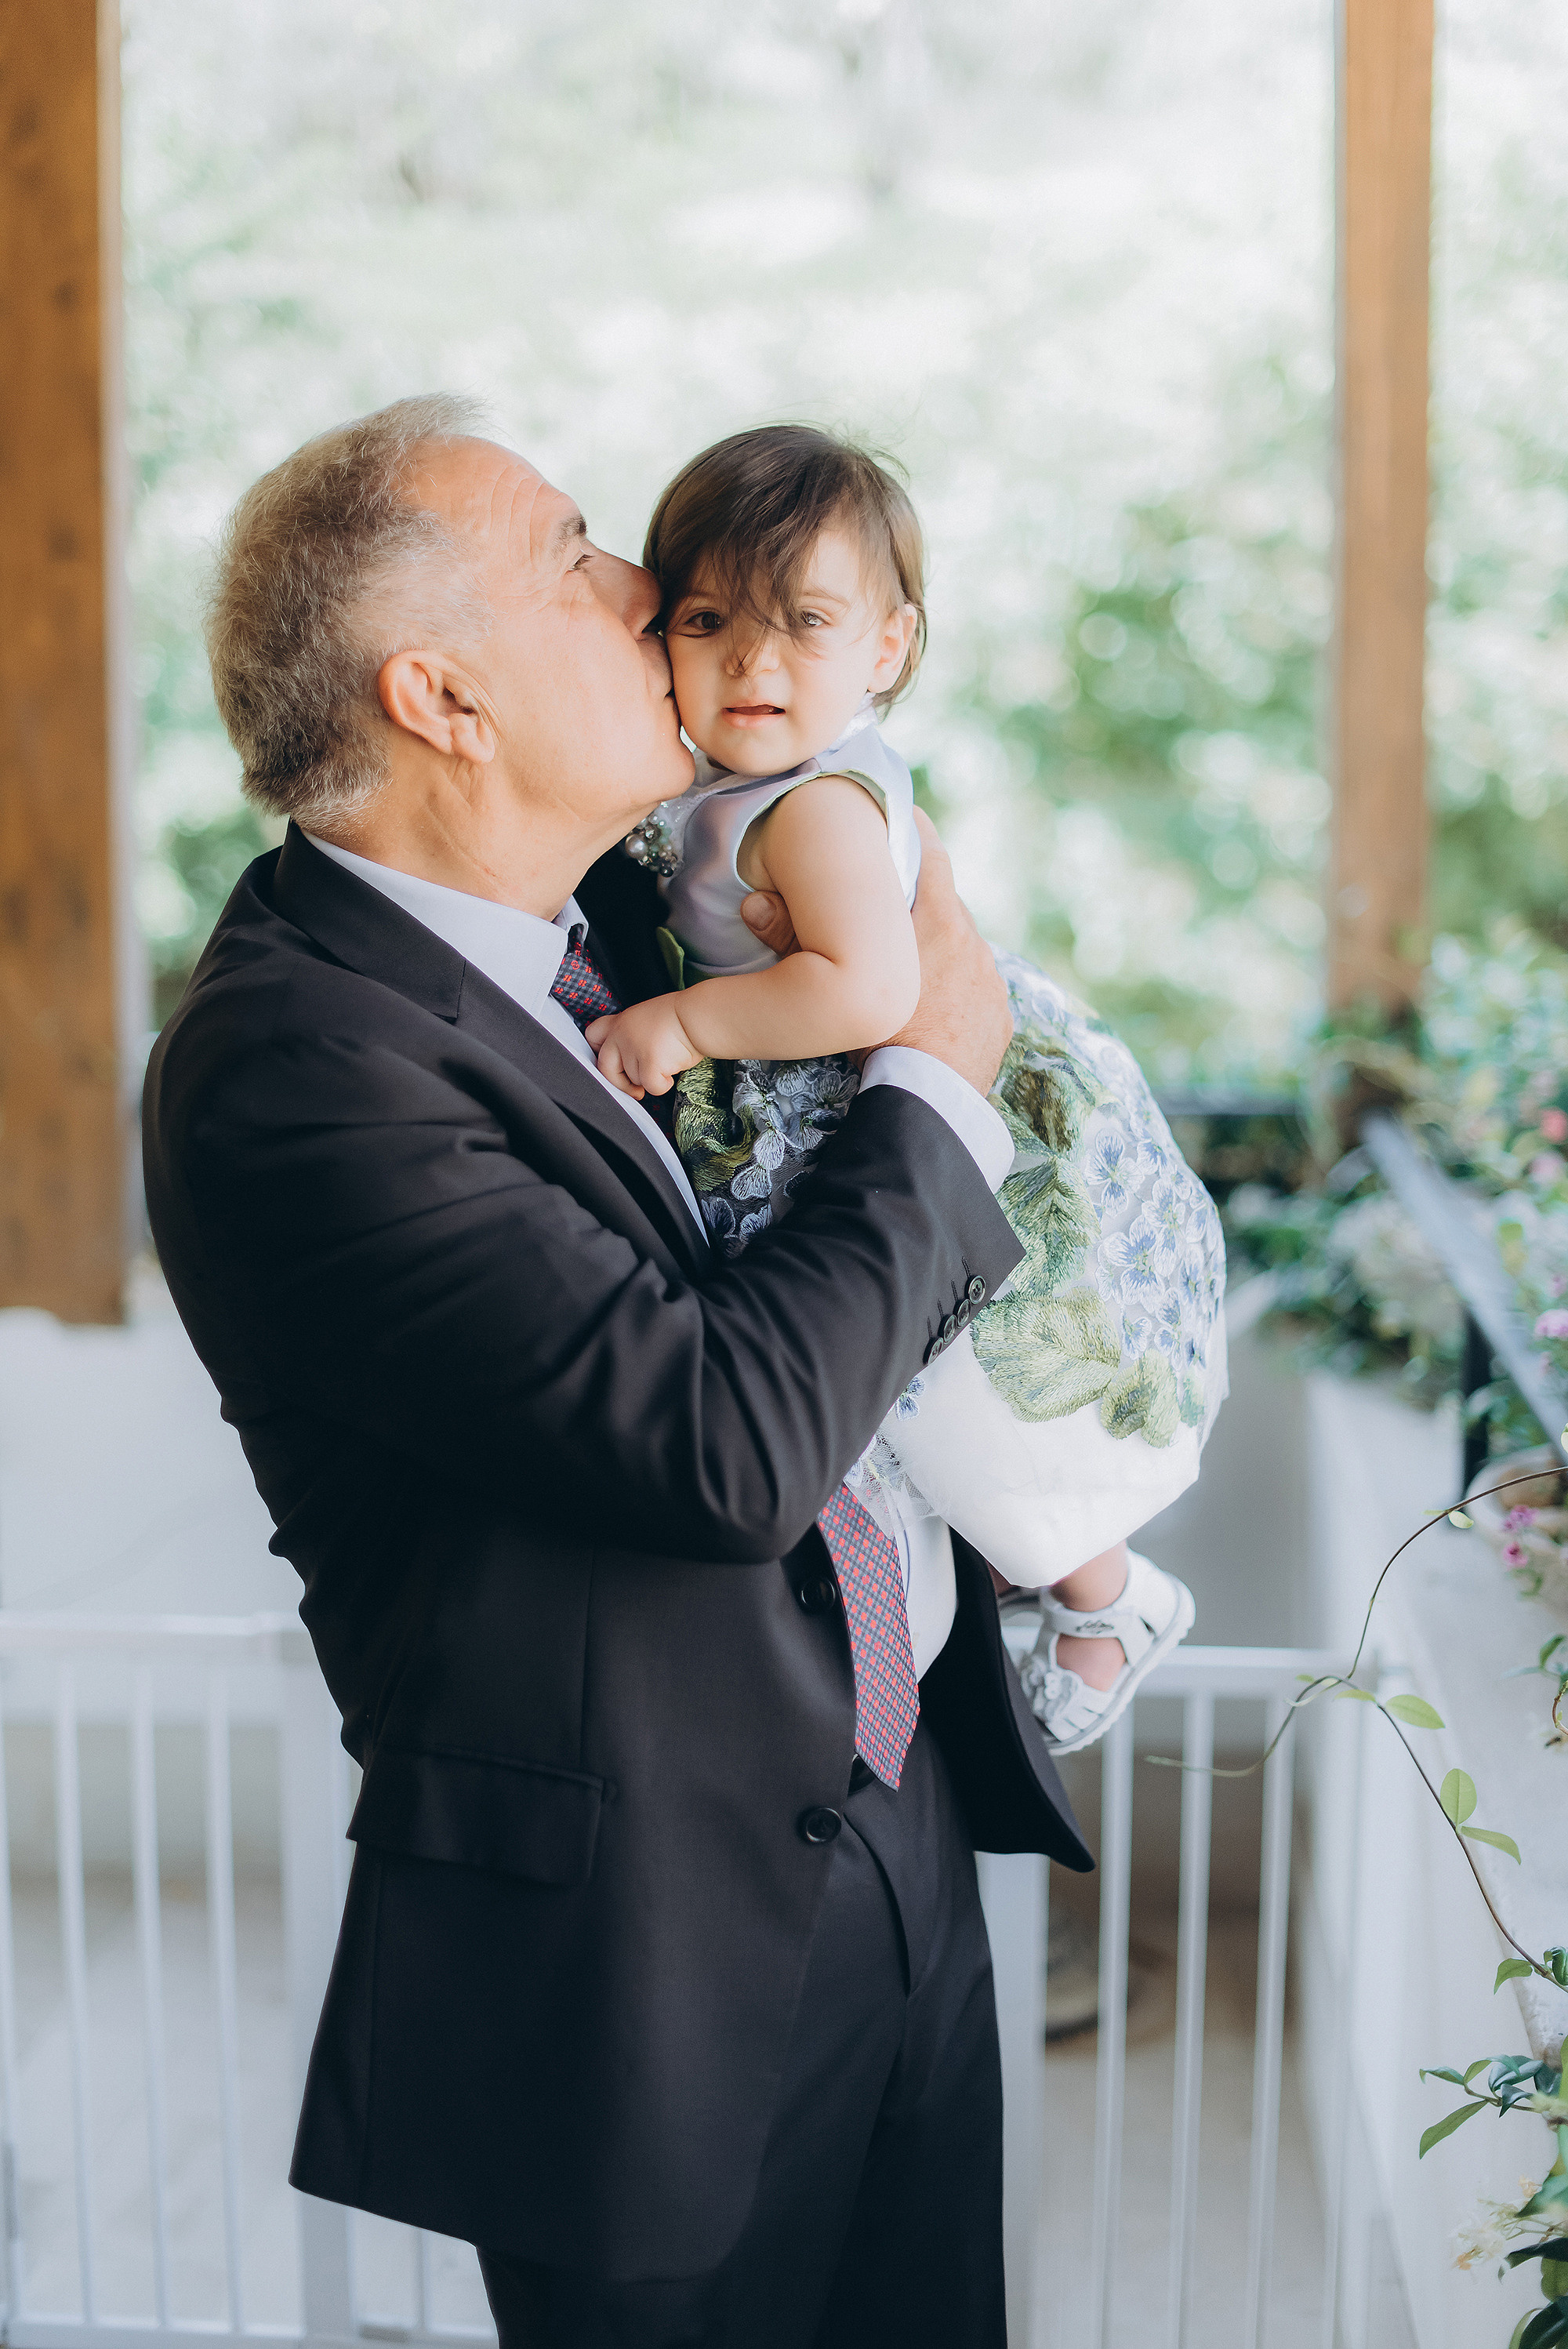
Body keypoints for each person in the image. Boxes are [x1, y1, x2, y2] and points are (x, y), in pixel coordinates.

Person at [140, 393, 1094, 2349]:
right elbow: (722, 1444)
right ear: (444, 697)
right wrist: (936, 1082)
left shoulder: (645, 921)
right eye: (578, 558)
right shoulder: (293, 1065)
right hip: (646, 1966)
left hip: (888, 1838)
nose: (653, 589)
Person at [589, 426, 1227, 1754]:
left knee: (955, 1400)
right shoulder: (744, 787)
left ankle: (1109, 1601)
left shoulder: (808, 809)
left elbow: (870, 994)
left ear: (888, 649)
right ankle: (1080, 1594)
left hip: (872, 1092)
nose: (753, 661)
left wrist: (689, 1020)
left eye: (804, 622)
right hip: (837, 1104)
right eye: (708, 619)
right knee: (898, 1391)